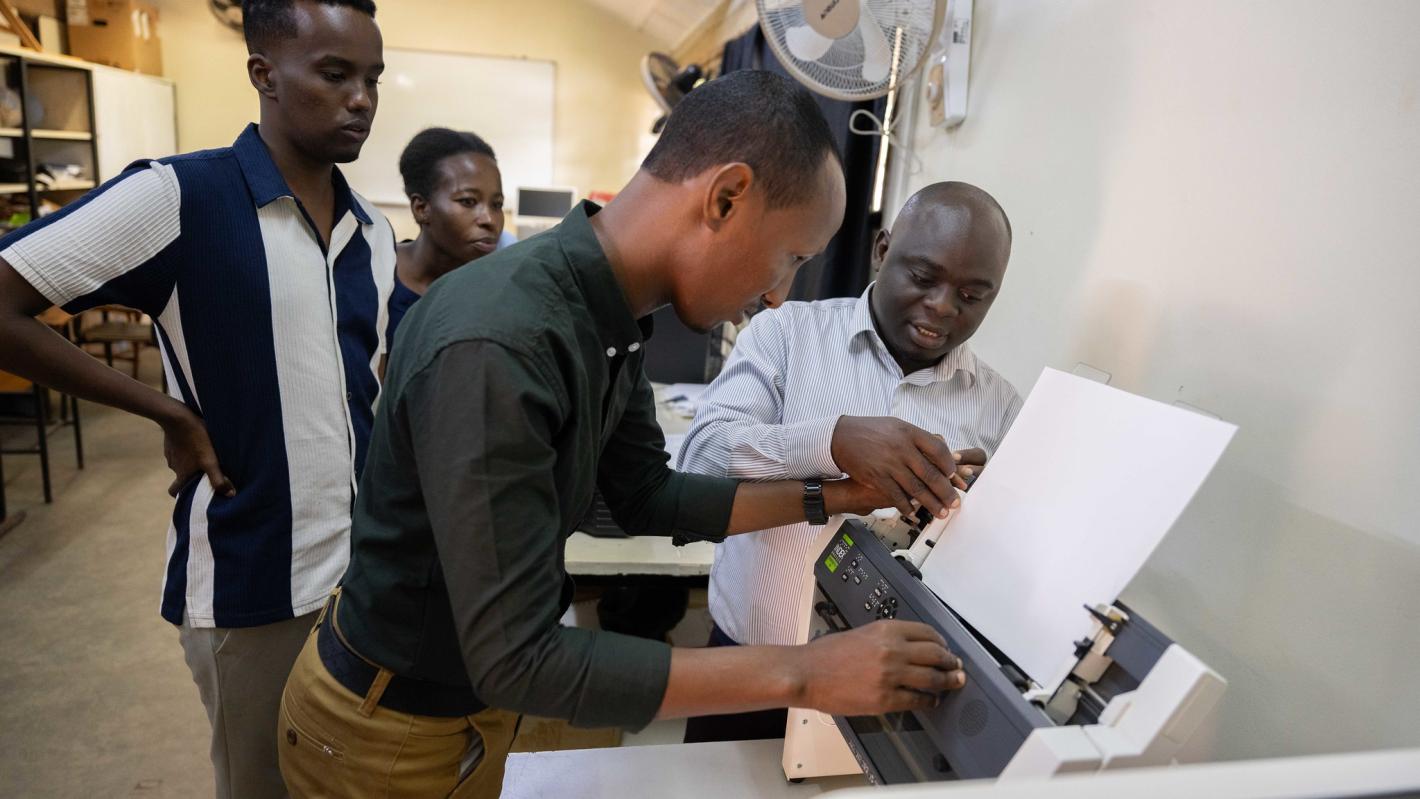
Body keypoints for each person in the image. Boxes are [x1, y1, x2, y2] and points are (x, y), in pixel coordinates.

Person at [278, 70, 973, 798]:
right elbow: (517, 659)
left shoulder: (606, 315)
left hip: (484, 701)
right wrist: (808, 670)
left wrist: (840, 496)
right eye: (791, 256)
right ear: (725, 197)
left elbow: (647, 497)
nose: (777, 293)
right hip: (392, 722)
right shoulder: (501, 340)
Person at [0, 1, 391, 796]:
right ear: (263, 75)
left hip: (361, 579)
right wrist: (165, 410)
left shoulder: (371, 230)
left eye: (372, 79)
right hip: (253, 587)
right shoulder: (181, 196)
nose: (362, 99)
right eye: (335, 74)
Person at [677, 181, 1022, 742]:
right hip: (753, 674)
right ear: (882, 251)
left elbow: (1004, 573)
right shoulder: (785, 334)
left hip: (895, 702)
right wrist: (833, 441)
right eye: (924, 277)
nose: (941, 306)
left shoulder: (1002, 408)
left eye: (972, 295)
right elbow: (700, 464)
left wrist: (980, 510)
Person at [387, 127, 506, 344]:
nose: (489, 219)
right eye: (468, 201)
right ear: (421, 208)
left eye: (497, 204)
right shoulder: (373, 274)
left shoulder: (495, 295)